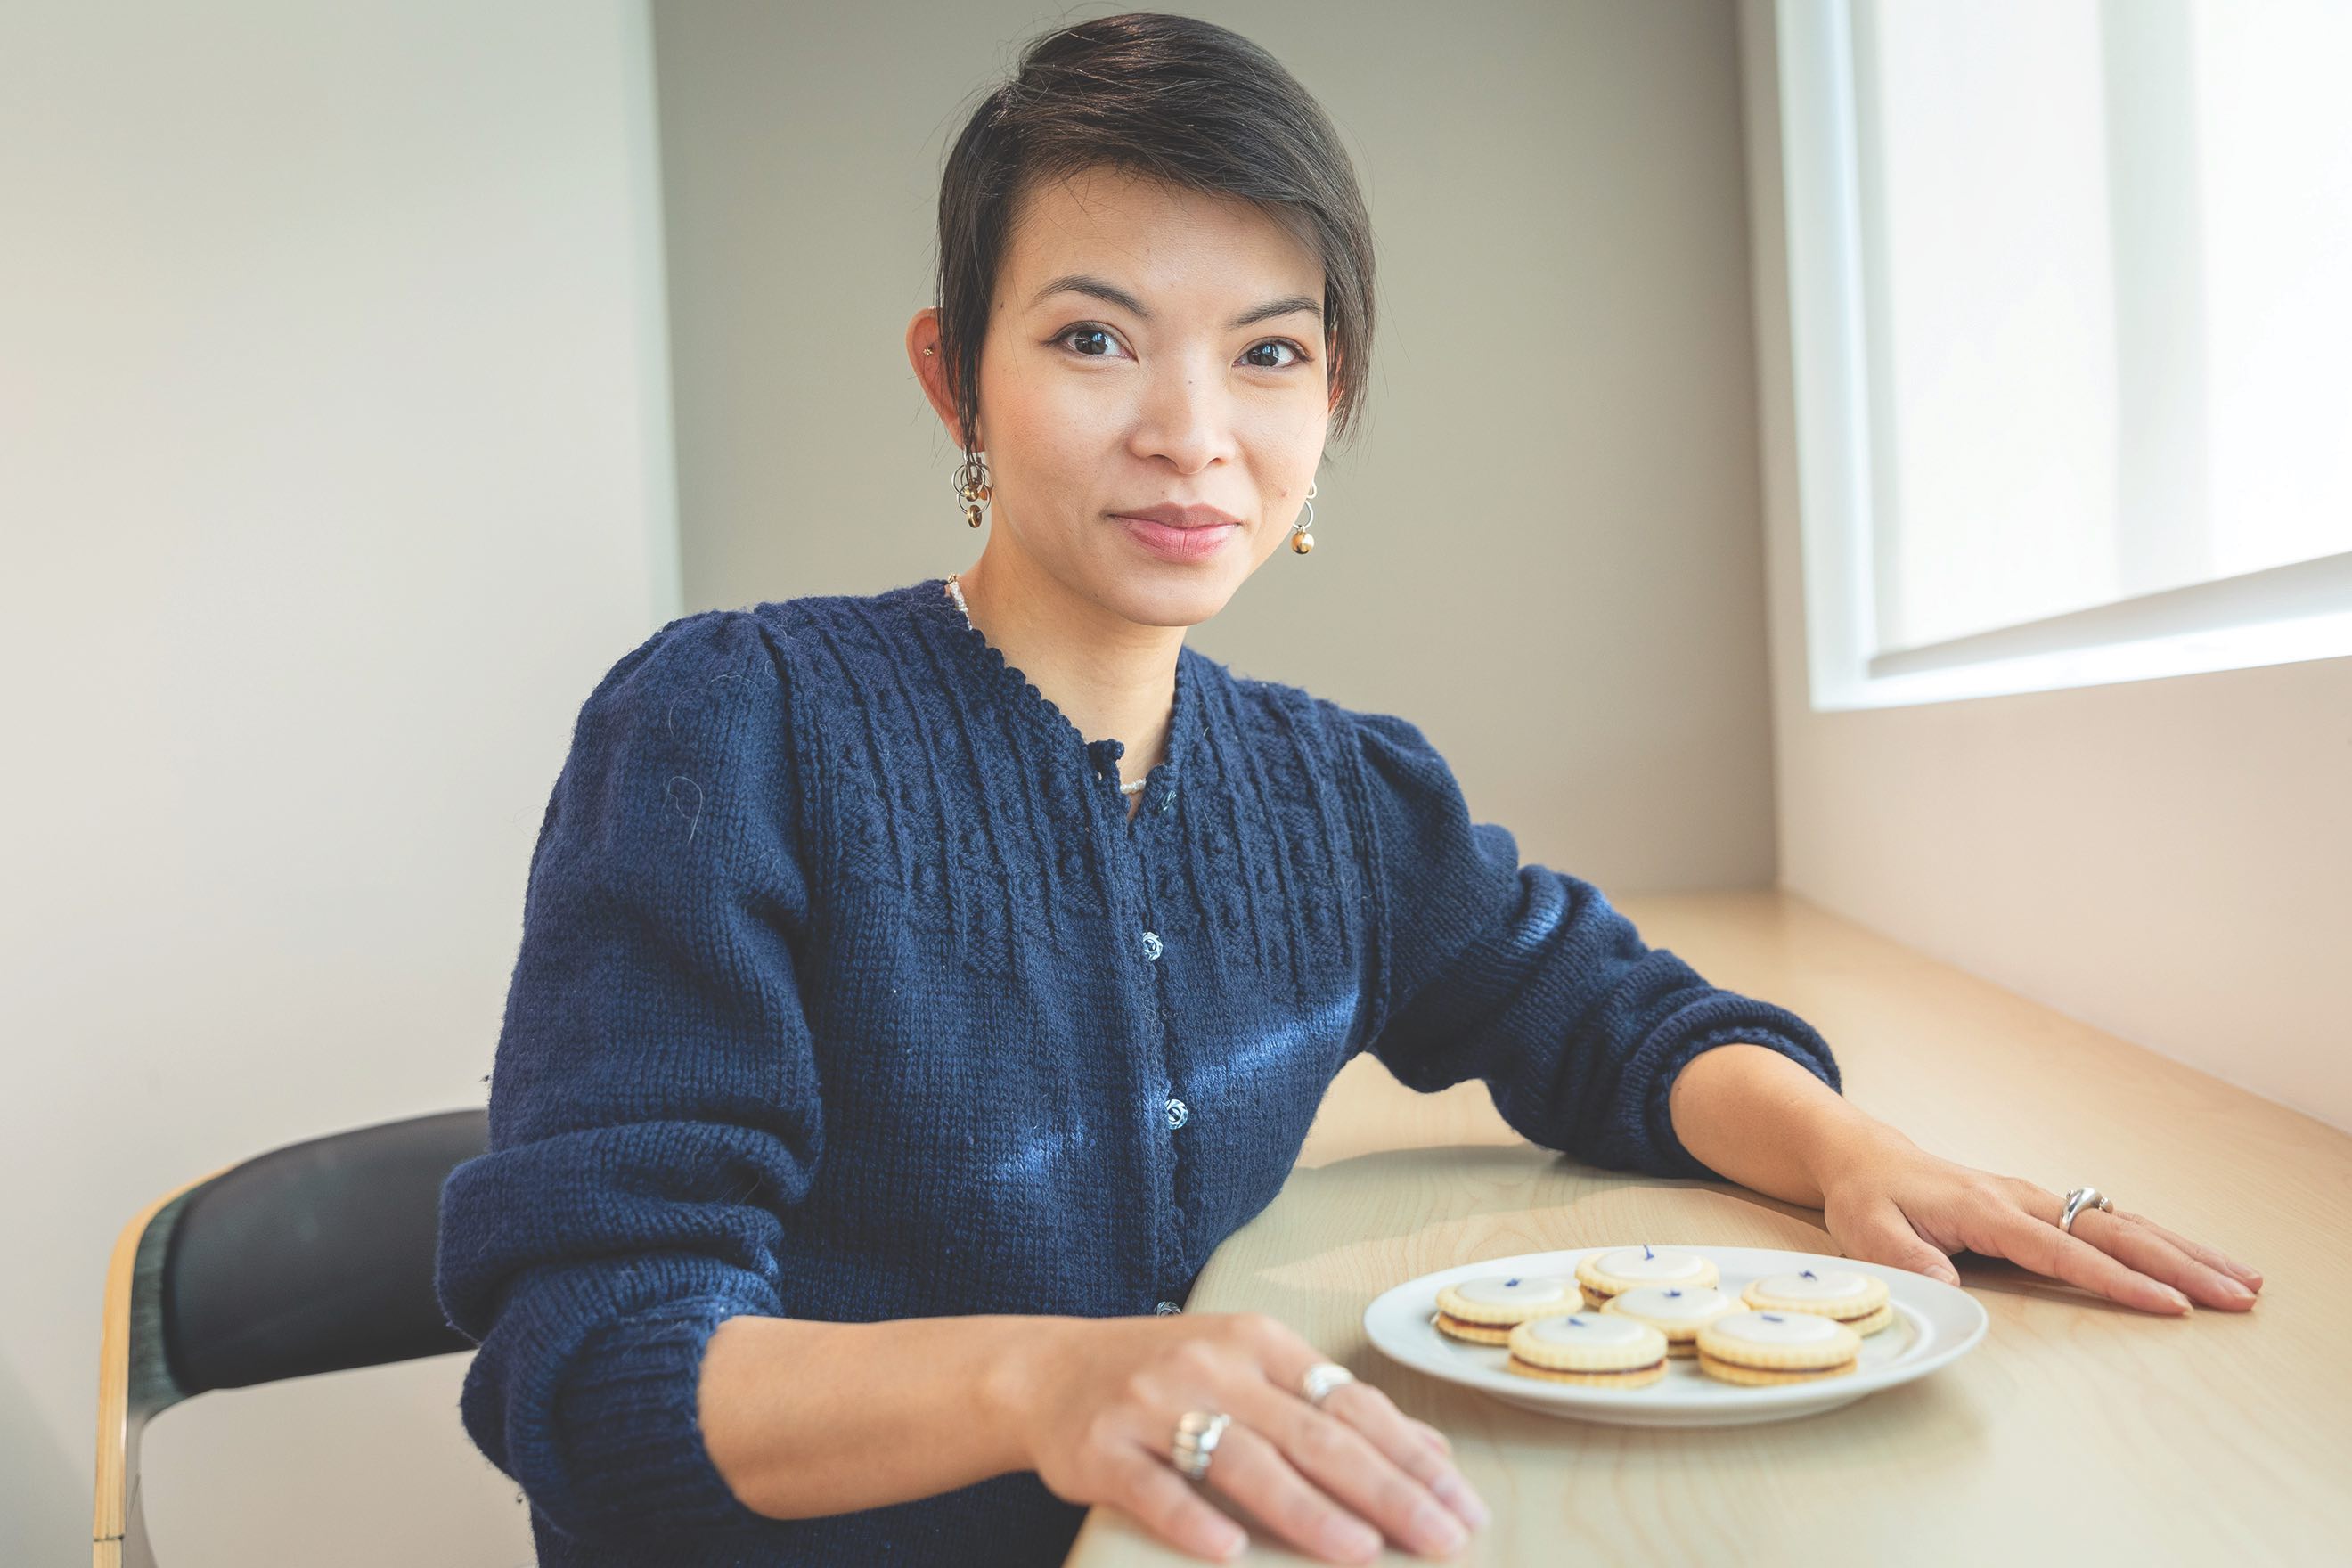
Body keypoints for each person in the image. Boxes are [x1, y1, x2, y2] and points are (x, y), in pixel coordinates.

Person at [433, 12, 2264, 1568]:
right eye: (1092, 337)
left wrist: (1863, 1160)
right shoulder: (726, 729)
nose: (1189, 428)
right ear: (955, 382)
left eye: (1270, 353)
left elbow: (1607, 1015)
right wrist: (1051, 1380)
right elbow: (590, 1362)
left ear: (1332, 405)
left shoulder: (1336, 796)